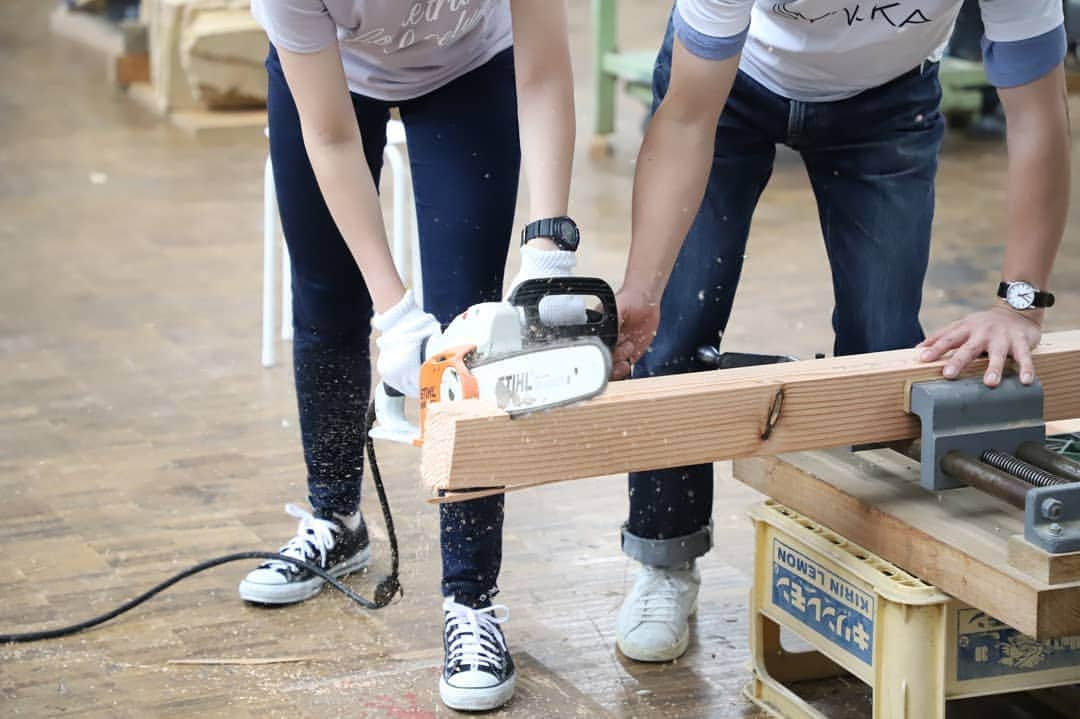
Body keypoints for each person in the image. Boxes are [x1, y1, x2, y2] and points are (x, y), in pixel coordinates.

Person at [611, 0, 1068, 663]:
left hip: (888, 101)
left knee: (884, 346)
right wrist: (644, 289)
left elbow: (1037, 117)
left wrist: (1020, 305)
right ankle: (664, 560)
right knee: (675, 334)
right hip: (734, 82)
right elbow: (685, 119)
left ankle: (854, 568)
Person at [240, 1, 582, 710]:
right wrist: (393, 312)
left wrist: (548, 243)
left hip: (470, 71)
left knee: (470, 330)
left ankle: (471, 600)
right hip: (331, 84)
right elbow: (330, 138)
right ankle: (336, 521)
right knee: (326, 295)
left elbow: (544, 72)